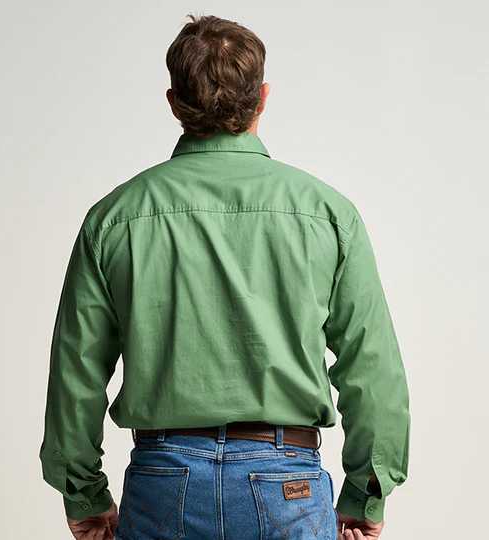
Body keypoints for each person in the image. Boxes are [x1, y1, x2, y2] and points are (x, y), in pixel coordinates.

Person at [39, 13, 410, 540]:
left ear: (174, 103)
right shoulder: (328, 215)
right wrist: (365, 494)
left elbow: (76, 372)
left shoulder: (114, 219)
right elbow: (371, 369)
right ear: (262, 98)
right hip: (287, 484)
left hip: (162, 481)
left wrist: (84, 495)